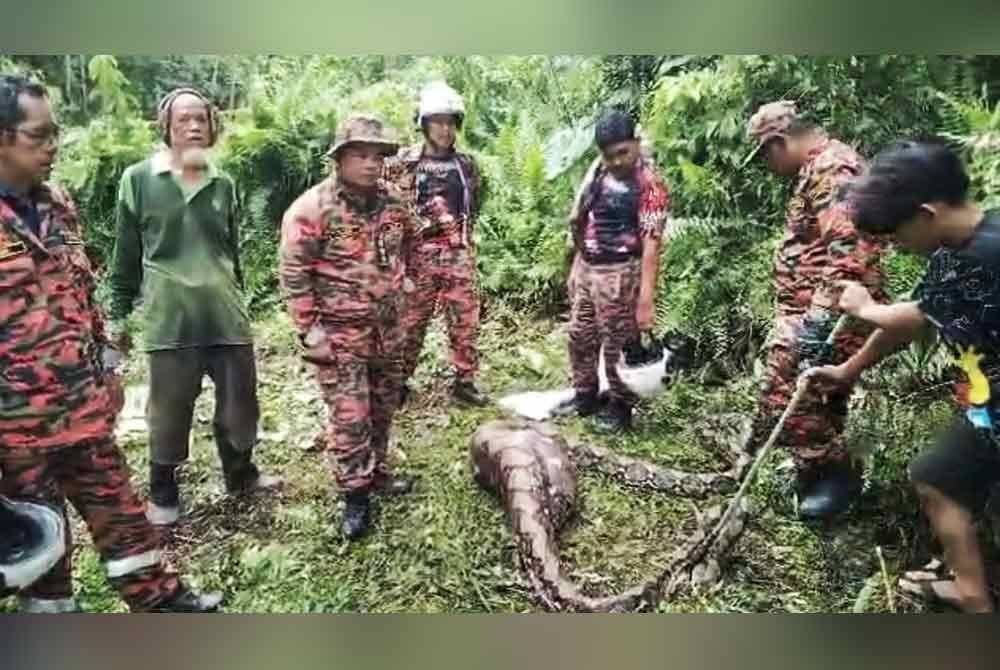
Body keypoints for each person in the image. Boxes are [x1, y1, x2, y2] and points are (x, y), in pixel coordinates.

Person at [0, 74, 221, 612]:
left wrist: (109, 366)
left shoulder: (57, 204)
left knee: (125, 519)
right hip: (17, 432)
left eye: (55, 132)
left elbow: (82, 294)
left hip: (84, 409)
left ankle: (163, 604)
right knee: (44, 554)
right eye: (39, 135)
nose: (54, 145)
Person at [809, 141, 999, 613]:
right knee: (936, 477)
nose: (896, 245)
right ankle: (970, 584)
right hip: (987, 403)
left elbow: (906, 316)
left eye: (896, 234)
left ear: (926, 213)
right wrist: (848, 370)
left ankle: (974, 597)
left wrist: (863, 307)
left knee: (936, 478)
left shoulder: (984, 255)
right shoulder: (955, 250)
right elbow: (914, 320)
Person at [109, 87, 280, 526]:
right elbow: (125, 256)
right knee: (169, 406)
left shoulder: (223, 182)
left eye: (201, 119)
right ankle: (164, 491)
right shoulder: (139, 179)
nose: (193, 126)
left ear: (213, 126)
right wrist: (118, 315)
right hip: (170, 315)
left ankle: (241, 473)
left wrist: (240, 296)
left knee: (241, 401)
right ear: (165, 126)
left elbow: (233, 250)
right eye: (183, 118)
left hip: (224, 311)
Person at [742, 100, 888, 520]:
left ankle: (834, 478)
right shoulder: (822, 167)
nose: (769, 165)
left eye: (766, 154)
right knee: (819, 394)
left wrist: (816, 326)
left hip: (829, 312)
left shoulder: (831, 169)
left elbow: (849, 255)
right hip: (817, 309)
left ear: (778, 142)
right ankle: (816, 474)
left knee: (792, 390)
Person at [279, 113, 415, 540]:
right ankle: (355, 494)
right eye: (360, 154)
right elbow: (293, 272)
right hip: (340, 336)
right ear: (339, 159)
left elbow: (408, 246)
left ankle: (376, 472)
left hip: (387, 330)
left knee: (382, 408)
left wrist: (404, 284)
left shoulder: (394, 203)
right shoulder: (311, 209)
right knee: (351, 417)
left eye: (378, 155)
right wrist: (309, 330)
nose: (372, 163)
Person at [383, 81, 488, 407]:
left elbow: (474, 202)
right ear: (424, 124)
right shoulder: (403, 162)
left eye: (449, 121)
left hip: (457, 253)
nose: (444, 129)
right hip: (418, 257)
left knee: (465, 321)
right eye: (436, 121)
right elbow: (385, 205)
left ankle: (465, 382)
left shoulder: (466, 165)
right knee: (411, 322)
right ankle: (398, 382)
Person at [565, 110, 671, 432]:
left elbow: (652, 245)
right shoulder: (597, 172)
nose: (616, 162)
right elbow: (579, 216)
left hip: (622, 271)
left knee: (617, 342)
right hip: (589, 266)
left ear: (636, 143)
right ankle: (585, 394)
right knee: (580, 333)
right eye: (609, 156)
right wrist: (576, 264)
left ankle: (620, 406)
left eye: (623, 153)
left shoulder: (650, 185)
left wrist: (645, 300)